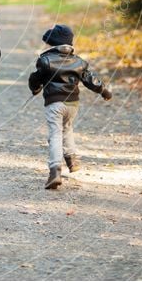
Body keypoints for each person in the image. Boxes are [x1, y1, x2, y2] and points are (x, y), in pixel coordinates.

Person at [28, 24, 112, 189]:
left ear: (52, 44)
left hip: (55, 103)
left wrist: (35, 88)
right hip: (73, 104)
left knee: (55, 134)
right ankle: (72, 160)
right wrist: (104, 91)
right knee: (67, 129)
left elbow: (36, 79)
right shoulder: (79, 62)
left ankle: (55, 172)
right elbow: (91, 80)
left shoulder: (45, 60)